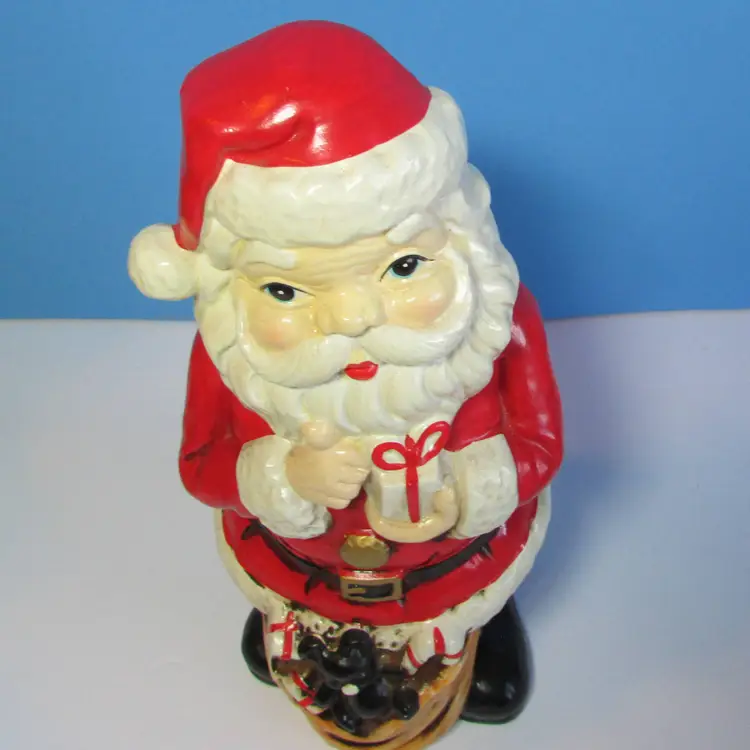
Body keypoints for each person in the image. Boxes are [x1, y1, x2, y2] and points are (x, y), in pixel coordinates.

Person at [128, 19, 564, 739]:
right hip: (299, 564)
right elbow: (201, 465)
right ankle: (293, 621)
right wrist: (280, 477)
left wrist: (472, 488)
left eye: (403, 267)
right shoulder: (233, 353)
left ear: (461, 242)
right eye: (285, 291)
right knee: (289, 607)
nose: (354, 319)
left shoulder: (498, 322)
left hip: (456, 566)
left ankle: (475, 627)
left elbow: (540, 445)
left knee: (469, 606)